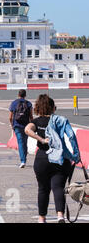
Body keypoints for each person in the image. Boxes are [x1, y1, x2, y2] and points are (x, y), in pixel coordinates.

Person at [25, 94, 81, 224]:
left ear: (38, 108)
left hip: (42, 159)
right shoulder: (61, 120)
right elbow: (71, 136)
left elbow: (27, 130)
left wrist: (41, 140)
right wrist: (76, 154)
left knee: (43, 188)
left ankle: (41, 218)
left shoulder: (37, 122)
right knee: (58, 187)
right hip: (60, 158)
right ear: (53, 108)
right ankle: (60, 216)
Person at [9, 89, 34, 168]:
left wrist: (12, 124)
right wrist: (32, 125)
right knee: (25, 142)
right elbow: (31, 116)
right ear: (25, 95)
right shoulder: (29, 104)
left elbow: (10, 117)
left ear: (18, 95)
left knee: (20, 143)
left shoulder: (14, 103)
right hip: (26, 126)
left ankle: (22, 161)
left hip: (17, 125)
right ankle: (24, 159)